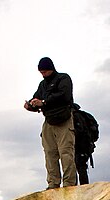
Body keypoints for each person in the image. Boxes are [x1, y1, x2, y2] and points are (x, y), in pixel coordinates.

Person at [24, 57, 76, 189]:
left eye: (45, 71)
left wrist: (44, 102)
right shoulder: (43, 85)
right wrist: (31, 105)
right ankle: (53, 183)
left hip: (64, 119)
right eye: (41, 72)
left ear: (51, 69)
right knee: (49, 153)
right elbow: (36, 98)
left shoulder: (63, 78)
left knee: (65, 152)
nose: (43, 74)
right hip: (49, 121)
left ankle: (69, 184)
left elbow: (64, 96)